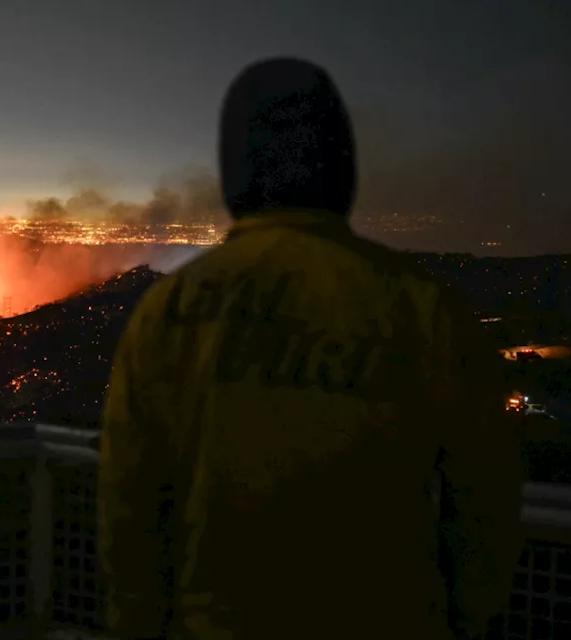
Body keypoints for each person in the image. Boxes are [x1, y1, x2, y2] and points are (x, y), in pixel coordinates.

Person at [98, 58, 523, 639]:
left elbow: (130, 508)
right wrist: (462, 621)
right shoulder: (422, 306)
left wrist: (140, 625)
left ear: (235, 169)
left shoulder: (168, 312)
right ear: (341, 164)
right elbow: (485, 501)